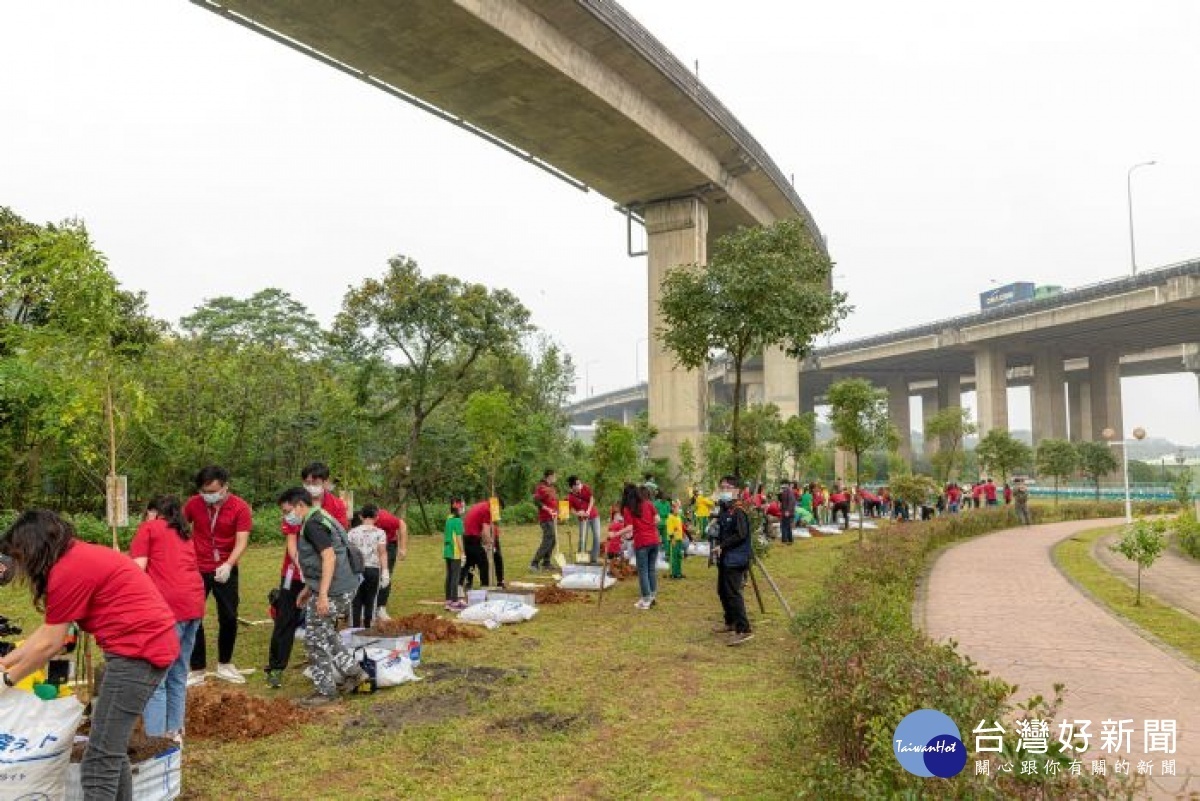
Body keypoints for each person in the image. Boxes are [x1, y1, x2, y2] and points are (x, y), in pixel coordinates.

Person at [0, 511, 179, 798]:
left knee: (97, 763)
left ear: (33, 547)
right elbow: (47, 633)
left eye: (19, 556)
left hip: (138, 654)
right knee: (111, 751)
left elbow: (51, 643)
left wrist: (7, 681)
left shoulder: (68, 570)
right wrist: (6, 663)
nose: (19, 566)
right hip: (143, 649)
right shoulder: (77, 557)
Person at [277, 487, 364, 707]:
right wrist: (310, 588)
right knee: (325, 632)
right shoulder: (320, 516)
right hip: (342, 584)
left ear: (299, 505)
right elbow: (320, 559)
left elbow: (329, 557)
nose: (286, 516)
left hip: (335, 588)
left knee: (314, 638)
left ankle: (325, 692)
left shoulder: (313, 524)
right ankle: (354, 672)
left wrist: (323, 594)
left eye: (287, 511)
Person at [266, 461, 350, 689]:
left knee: (321, 625)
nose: (311, 485)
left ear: (325, 482)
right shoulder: (294, 506)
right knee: (286, 618)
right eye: (307, 482)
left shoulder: (333, 507)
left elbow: (335, 547)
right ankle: (276, 667)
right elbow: (292, 541)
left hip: (325, 575)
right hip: (296, 572)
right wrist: (301, 568)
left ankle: (331, 673)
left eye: (316, 482)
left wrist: (321, 584)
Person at [130, 496, 205, 740]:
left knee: (156, 676)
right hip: (193, 605)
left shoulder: (149, 528)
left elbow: (137, 569)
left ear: (153, 512)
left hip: (167, 608)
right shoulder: (184, 532)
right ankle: (175, 732)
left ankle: (156, 740)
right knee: (178, 671)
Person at [184, 464, 252, 685]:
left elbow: (242, 540)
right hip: (197, 567)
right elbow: (180, 528)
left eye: (213, 491)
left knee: (229, 616)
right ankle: (197, 668)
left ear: (225, 487)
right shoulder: (194, 504)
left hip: (225, 568)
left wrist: (229, 564)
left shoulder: (240, 507)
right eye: (204, 491)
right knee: (193, 616)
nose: (208, 496)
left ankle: (225, 663)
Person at [712, 476, 753, 646]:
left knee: (733, 593)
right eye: (722, 487)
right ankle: (730, 622)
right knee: (722, 590)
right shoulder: (725, 509)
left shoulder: (738, 510)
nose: (724, 490)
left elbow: (741, 534)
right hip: (725, 557)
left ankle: (744, 629)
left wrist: (723, 545)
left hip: (736, 558)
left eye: (728, 487)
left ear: (736, 490)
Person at [617, 483, 659, 609]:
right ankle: (651, 596)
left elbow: (629, 527)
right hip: (654, 540)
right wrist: (648, 525)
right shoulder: (648, 503)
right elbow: (657, 519)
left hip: (642, 542)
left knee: (643, 572)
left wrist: (616, 534)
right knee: (651, 569)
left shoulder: (628, 508)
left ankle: (646, 600)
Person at [347, 506, 388, 628]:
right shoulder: (380, 533)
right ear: (376, 517)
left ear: (360, 516)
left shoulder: (352, 532)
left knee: (355, 600)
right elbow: (382, 552)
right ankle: (368, 626)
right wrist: (385, 571)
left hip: (355, 570)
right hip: (373, 569)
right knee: (371, 599)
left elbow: (349, 553)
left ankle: (354, 628)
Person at [373, 505, 407, 621]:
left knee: (385, 574)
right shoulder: (358, 524)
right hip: (371, 545)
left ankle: (381, 607)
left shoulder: (385, 519)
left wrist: (402, 548)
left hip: (389, 544)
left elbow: (402, 525)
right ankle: (369, 605)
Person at [462, 499, 504, 590]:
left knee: (470, 561)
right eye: (499, 509)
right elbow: (486, 531)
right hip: (473, 537)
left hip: (466, 537)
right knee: (483, 563)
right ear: (497, 506)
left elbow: (488, 526)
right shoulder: (487, 509)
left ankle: (467, 584)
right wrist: (490, 544)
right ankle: (485, 586)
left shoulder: (483, 505)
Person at [567, 476, 601, 564]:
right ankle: (581, 559)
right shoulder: (570, 496)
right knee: (583, 538)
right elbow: (570, 509)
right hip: (583, 519)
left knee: (597, 537)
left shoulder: (585, 488)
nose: (579, 485)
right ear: (572, 486)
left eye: (580, 483)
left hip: (594, 516)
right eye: (577, 484)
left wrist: (588, 511)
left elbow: (592, 499)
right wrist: (578, 513)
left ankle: (594, 559)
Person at [529, 469, 558, 572]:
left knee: (553, 540)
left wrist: (557, 511)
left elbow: (553, 502)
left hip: (552, 517)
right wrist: (548, 509)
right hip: (545, 518)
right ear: (549, 476)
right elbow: (536, 501)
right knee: (548, 539)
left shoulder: (552, 488)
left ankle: (546, 562)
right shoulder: (541, 487)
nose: (556, 478)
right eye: (554, 476)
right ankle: (534, 563)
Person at [444, 499, 466, 610]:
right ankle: (454, 601)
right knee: (455, 576)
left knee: (449, 575)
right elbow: (458, 538)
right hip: (455, 552)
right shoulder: (458, 521)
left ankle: (448, 599)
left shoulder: (449, 518)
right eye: (462, 507)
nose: (463, 509)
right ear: (458, 508)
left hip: (447, 550)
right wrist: (462, 553)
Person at [666, 499, 686, 579]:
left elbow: (680, 527)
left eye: (679, 508)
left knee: (679, 556)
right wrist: (672, 539)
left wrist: (682, 535)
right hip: (674, 540)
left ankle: (678, 572)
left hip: (679, 539)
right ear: (673, 508)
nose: (679, 510)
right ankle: (674, 573)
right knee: (674, 557)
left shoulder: (678, 517)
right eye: (677, 508)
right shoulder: (670, 518)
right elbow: (670, 530)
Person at [778, 480, 796, 544]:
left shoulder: (789, 492)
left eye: (782, 485)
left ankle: (785, 540)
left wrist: (788, 511)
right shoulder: (785, 491)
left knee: (784, 526)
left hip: (787, 512)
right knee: (787, 526)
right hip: (786, 512)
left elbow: (791, 502)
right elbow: (781, 501)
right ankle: (790, 539)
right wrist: (780, 494)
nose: (781, 487)